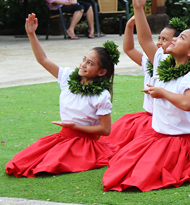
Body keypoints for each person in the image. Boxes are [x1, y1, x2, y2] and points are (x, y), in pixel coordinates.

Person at [102, 0, 190, 192]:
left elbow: (188, 103)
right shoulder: (162, 62)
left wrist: (162, 93)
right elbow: (146, 40)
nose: (174, 39)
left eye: (181, 38)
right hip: (158, 135)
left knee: (141, 177)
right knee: (120, 166)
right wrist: (139, 8)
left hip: (181, 141)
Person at [5, 13, 118, 177]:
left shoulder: (101, 96)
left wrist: (75, 127)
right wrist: (31, 33)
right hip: (62, 137)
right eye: (84, 59)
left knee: (51, 165)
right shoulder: (67, 78)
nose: (83, 65)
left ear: (101, 72)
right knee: (23, 161)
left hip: (86, 144)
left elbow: (105, 130)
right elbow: (43, 59)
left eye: (90, 63)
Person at [99, 16, 187, 153]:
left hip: (163, 120)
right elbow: (129, 49)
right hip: (146, 117)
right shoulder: (149, 60)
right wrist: (129, 27)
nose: (159, 43)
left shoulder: (173, 63)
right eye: (159, 38)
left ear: (176, 42)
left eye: (165, 39)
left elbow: (146, 41)